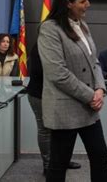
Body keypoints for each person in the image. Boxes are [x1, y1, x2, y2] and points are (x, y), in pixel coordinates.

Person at [37, 0, 107, 182]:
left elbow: (94, 61)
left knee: (100, 157)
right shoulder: (50, 29)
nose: (88, 4)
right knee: (59, 165)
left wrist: (100, 89)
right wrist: (90, 95)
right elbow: (57, 73)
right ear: (68, 3)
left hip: (89, 109)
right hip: (65, 109)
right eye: (83, 1)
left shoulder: (82, 26)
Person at [25, 42, 81, 176]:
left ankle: (62, 161)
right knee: (45, 130)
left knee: (63, 129)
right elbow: (46, 72)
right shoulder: (41, 45)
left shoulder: (59, 44)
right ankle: (48, 165)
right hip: (39, 94)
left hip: (58, 94)